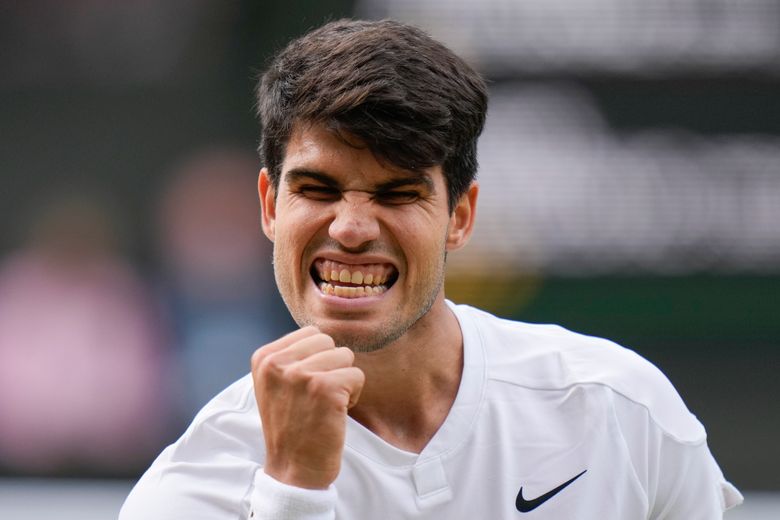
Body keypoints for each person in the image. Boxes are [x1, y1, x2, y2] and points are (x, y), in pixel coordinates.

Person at [120, 19, 742, 519]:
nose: (351, 229)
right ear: (269, 206)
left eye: (397, 194)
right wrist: (294, 492)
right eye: (317, 188)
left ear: (460, 217)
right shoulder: (187, 493)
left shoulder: (618, 410)